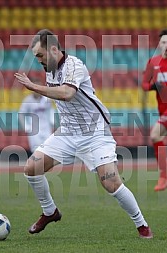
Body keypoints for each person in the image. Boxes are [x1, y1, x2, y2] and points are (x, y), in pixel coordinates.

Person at [14, 29, 152, 238]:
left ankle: (142, 225)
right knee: (31, 168)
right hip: (68, 132)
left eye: (40, 55)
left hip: (95, 132)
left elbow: (68, 93)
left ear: (53, 49)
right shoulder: (50, 69)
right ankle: (50, 212)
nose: (38, 60)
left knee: (111, 182)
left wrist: (33, 87)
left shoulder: (74, 65)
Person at [142, 29, 167, 192]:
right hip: (162, 109)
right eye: (164, 42)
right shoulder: (153, 62)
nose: (166, 45)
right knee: (158, 137)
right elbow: (144, 84)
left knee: (155, 134)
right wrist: (153, 86)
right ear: (159, 44)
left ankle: (164, 176)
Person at [18, 78, 54, 153]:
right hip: (34, 129)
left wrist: (52, 122)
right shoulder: (27, 100)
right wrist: (26, 126)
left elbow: (50, 110)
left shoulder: (46, 99)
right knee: (36, 150)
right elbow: (21, 113)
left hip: (46, 127)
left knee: (48, 149)